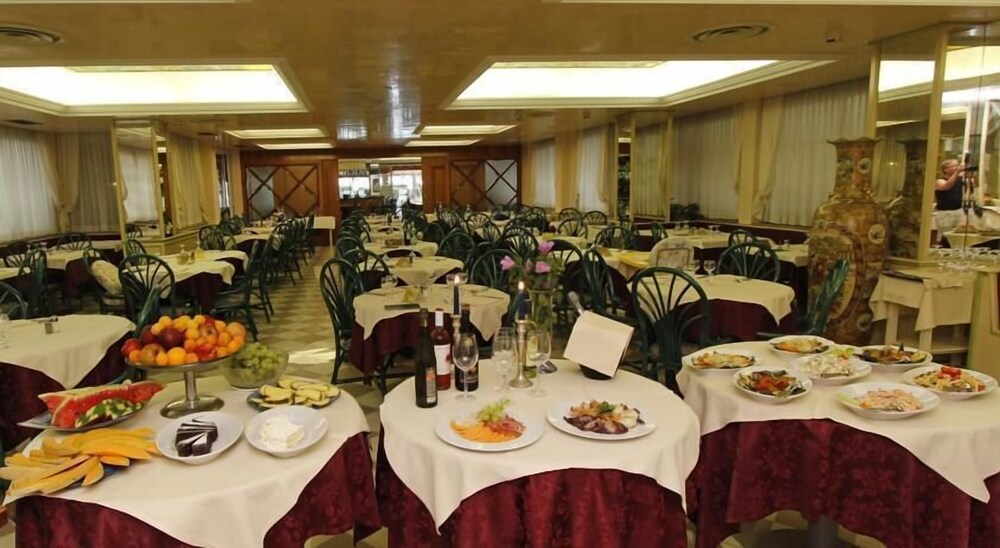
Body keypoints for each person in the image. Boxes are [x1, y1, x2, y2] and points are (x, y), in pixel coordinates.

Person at [934, 158, 970, 237]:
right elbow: (946, 187)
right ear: (946, 170)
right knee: (945, 236)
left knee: (958, 236)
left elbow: (975, 185)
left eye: (957, 165)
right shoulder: (939, 181)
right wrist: (957, 172)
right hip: (945, 214)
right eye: (954, 166)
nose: (957, 167)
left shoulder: (960, 179)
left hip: (958, 211)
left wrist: (973, 174)